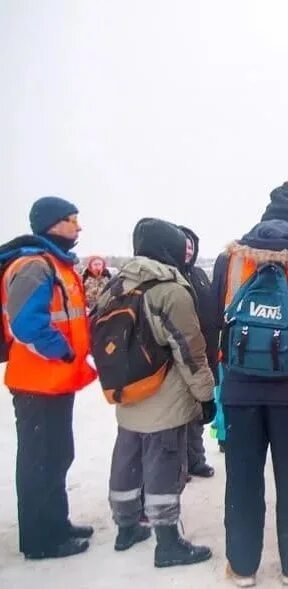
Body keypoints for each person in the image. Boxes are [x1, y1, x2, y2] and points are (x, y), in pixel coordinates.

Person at [213, 182, 288, 586]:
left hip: (239, 387)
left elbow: (212, 314)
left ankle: (243, 566)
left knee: (243, 476)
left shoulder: (229, 260)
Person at [98, 218, 215, 567]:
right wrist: (205, 395)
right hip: (164, 393)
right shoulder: (169, 290)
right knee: (164, 463)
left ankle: (126, 527)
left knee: (127, 458)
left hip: (128, 391)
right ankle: (167, 542)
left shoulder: (117, 284)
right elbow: (190, 351)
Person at [0, 196, 97, 560]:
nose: (78, 227)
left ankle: (56, 523)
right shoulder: (33, 266)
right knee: (40, 460)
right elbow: (26, 325)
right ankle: (41, 540)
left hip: (55, 381)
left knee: (57, 455)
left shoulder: (56, 264)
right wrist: (64, 351)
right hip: (37, 382)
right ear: (50, 224)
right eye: (71, 220)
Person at [178, 226, 216, 479]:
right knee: (179, 411)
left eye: (192, 246)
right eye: (184, 246)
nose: (189, 250)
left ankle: (196, 458)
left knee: (198, 408)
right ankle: (179, 464)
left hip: (204, 349)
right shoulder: (170, 276)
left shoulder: (199, 274)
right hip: (181, 352)